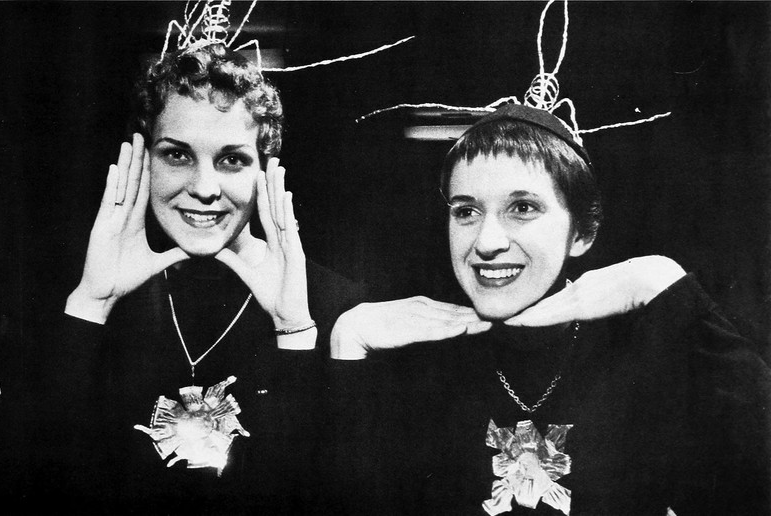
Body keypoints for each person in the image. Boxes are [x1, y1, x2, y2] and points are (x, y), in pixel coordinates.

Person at [328, 104, 771, 515]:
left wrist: (666, 287)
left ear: (581, 233)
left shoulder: (645, 352)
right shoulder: (414, 362)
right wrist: (347, 344)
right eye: (466, 212)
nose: (486, 242)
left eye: (522, 208)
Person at [48, 43, 363, 515]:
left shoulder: (338, 306)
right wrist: (91, 305)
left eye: (232, 160)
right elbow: (39, 481)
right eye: (177, 155)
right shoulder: (86, 297)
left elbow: (321, 494)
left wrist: (294, 331)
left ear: (265, 169)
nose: (204, 188)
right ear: (146, 160)